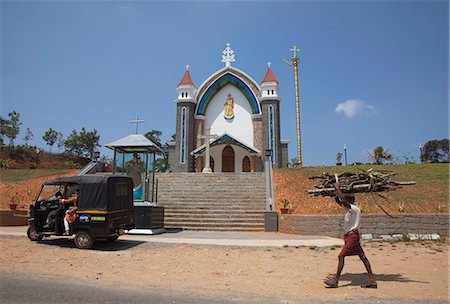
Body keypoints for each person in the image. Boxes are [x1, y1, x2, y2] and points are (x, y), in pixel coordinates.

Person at [325, 182, 377, 289]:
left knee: (341, 256)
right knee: (363, 257)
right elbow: (339, 201)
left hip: (352, 237)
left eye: (345, 200)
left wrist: (338, 188)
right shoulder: (349, 211)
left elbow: (343, 200)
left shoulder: (355, 209)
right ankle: (372, 281)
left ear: (350, 200)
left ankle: (335, 281)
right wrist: (335, 192)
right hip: (350, 237)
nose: (343, 203)